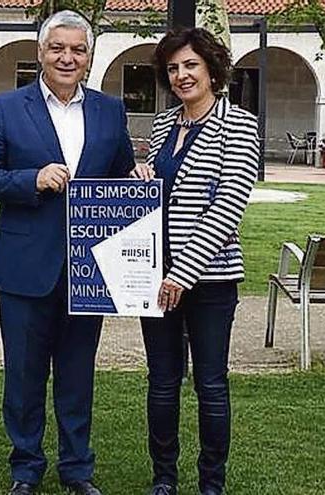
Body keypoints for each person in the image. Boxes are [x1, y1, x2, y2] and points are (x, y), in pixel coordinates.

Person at [0, 10, 137, 495]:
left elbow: (120, 172)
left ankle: (77, 470)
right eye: (57, 48)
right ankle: (26, 468)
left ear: (88, 56)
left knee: (78, 376)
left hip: (90, 269)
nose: (67, 57)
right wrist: (30, 180)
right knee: (23, 377)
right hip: (25, 268)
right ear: (40, 52)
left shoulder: (109, 111)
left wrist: (136, 179)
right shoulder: (7, 108)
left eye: (77, 49)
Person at [130, 28, 260, 495]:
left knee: (210, 384)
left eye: (190, 66)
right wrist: (140, 173)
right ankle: (164, 478)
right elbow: (156, 194)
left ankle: (211, 483)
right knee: (162, 383)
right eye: (173, 68)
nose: (182, 75)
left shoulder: (239, 126)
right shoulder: (164, 125)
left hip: (209, 280)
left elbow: (228, 205)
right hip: (153, 277)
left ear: (212, 69)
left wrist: (182, 274)